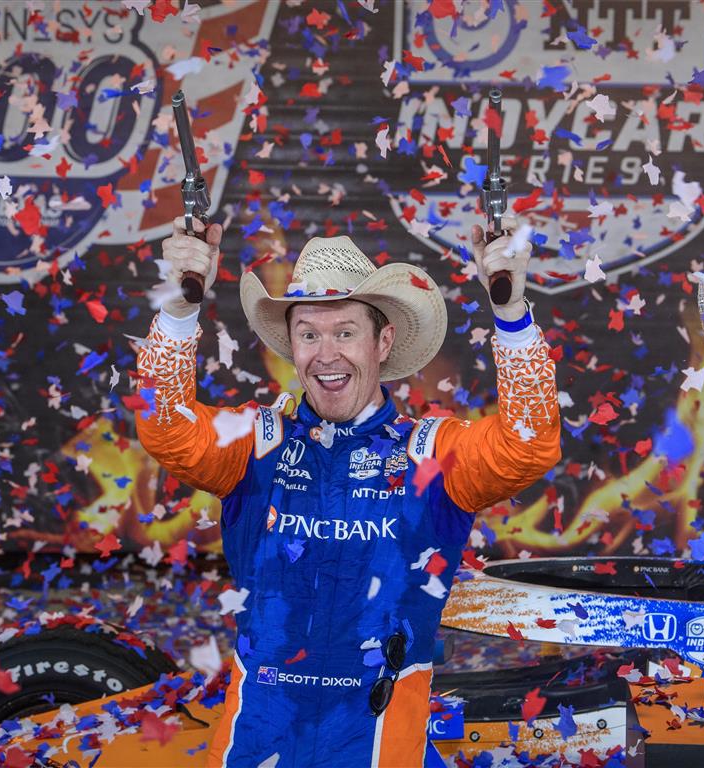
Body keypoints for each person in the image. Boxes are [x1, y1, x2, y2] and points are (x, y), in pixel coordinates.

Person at [136, 217, 561, 767]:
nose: (326, 354)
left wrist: (510, 311)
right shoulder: (256, 444)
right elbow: (165, 428)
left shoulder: (427, 453)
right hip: (258, 741)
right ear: (292, 345)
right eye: (309, 333)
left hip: (382, 744)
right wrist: (178, 301)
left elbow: (527, 447)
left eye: (345, 332)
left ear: (382, 341)